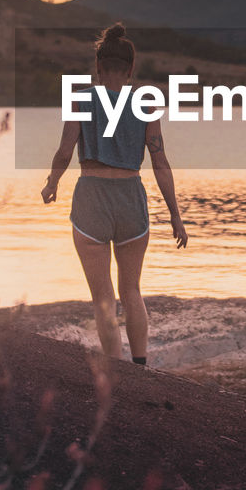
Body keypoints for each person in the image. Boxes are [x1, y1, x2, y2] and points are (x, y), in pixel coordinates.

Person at [40, 23, 187, 365]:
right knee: (132, 289)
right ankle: (140, 364)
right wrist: (175, 216)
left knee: (102, 297)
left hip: (91, 196)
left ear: (98, 68)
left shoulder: (81, 99)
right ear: (131, 69)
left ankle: (115, 368)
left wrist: (52, 183)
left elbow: (64, 152)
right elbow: (160, 162)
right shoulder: (146, 103)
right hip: (130, 199)